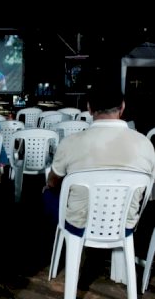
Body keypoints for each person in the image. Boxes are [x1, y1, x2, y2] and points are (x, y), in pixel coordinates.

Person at [43, 78, 155, 290]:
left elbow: (53, 181)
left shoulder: (71, 143)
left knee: (48, 192)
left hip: (78, 224)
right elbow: (148, 193)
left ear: (89, 107)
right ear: (122, 107)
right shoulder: (146, 145)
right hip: (124, 225)